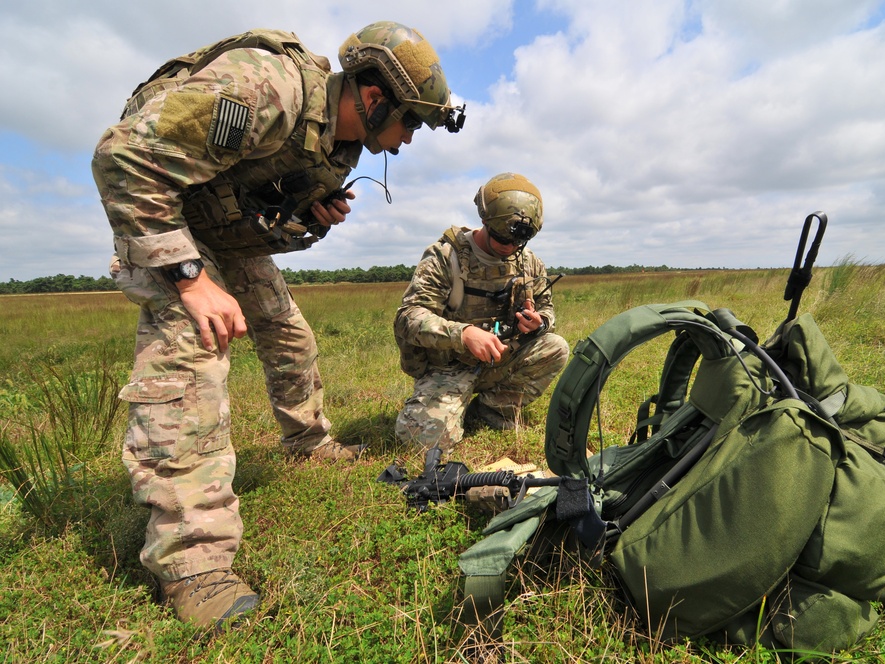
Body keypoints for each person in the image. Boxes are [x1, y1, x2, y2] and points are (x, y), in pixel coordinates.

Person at [91, 22, 465, 630]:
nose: (408, 141)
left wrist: (304, 216)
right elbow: (124, 157)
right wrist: (190, 277)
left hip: (219, 235)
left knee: (290, 335)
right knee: (195, 344)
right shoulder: (268, 89)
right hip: (163, 219)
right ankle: (194, 564)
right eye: (411, 123)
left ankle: (308, 443)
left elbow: (256, 219)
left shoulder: (336, 150)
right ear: (375, 99)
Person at [394, 173, 569, 452]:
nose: (510, 248)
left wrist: (539, 322)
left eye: (518, 243)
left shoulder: (528, 262)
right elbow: (408, 318)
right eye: (502, 239)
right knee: (422, 441)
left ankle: (492, 409)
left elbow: (547, 307)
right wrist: (463, 334)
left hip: (501, 359)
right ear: (485, 222)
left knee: (556, 347)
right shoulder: (445, 257)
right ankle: (452, 403)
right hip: (450, 366)